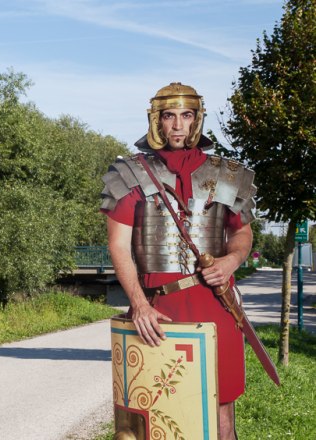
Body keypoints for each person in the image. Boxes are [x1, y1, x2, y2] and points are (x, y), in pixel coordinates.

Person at [100, 82, 255, 440]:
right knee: (157, 418)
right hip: (159, 308)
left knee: (222, 420)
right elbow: (118, 245)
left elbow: (242, 233)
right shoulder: (130, 174)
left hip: (217, 305)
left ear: (197, 119)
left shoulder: (226, 174)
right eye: (169, 116)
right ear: (157, 121)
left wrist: (232, 260)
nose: (178, 126)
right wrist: (138, 304)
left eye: (186, 116)